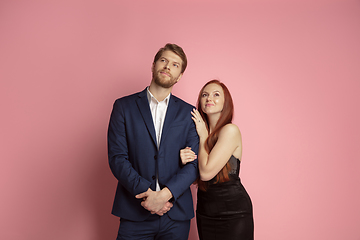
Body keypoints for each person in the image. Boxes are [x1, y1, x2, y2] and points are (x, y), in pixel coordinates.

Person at [107, 43, 199, 240]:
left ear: (180, 75)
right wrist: (148, 195)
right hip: (134, 211)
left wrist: (165, 195)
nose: (167, 66)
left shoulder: (188, 113)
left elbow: (194, 165)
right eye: (163, 60)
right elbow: (117, 158)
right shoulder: (123, 106)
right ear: (153, 65)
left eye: (175, 65)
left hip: (175, 214)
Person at [180, 80, 254, 240]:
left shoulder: (230, 130)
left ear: (225, 102)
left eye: (216, 95)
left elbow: (206, 173)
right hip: (205, 210)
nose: (209, 98)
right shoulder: (197, 132)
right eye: (204, 95)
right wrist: (183, 158)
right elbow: (196, 173)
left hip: (233, 212)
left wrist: (203, 136)